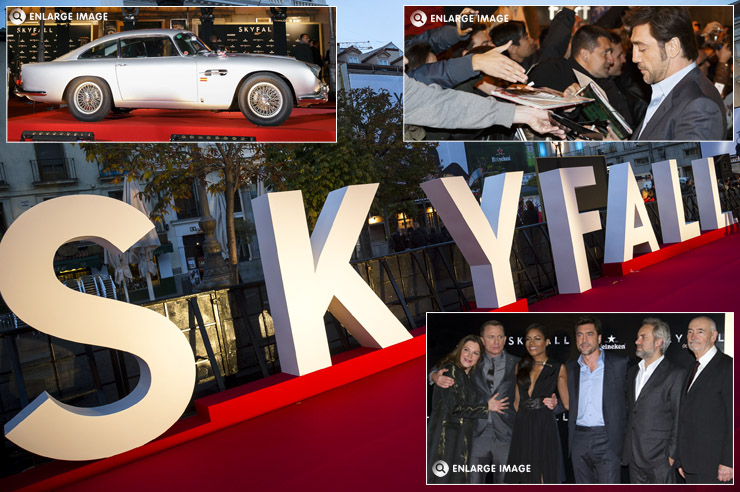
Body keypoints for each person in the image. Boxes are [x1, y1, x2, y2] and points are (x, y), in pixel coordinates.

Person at [432, 320, 556, 483]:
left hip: (506, 435)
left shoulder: (520, 363)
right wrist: (434, 376)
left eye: (500, 337)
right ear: (482, 340)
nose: (496, 342)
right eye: (491, 337)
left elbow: (539, 386)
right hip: (475, 434)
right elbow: (444, 366)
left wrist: (552, 402)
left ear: (505, 339)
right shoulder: (472, 360)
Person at [624, 7, 726, 140]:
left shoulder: (699, 106)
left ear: (673, 47)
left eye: (642, 48)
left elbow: (688, 160)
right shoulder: (671, 89)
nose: (634, 58)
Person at [427, 334, 500, 484]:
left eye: (475, 353)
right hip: (446, 437)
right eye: (466, 350)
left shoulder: (469, 375)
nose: (469, 356)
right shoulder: (451, 370)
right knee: (441, 479)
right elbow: (455, 408)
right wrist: (487, 407)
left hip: (463, 437)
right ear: (459, 350)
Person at [622, 318, 685, 483]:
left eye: (643, 337)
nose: (637, 341)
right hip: (633, 456)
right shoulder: (632, 371)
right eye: (638, 337)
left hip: (660, 459)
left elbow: (679, 416)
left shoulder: (675, 374)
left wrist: (672, 454)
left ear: (659, 342)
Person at [529, 24, 631, 125]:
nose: (611, 59)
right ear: (585, 54)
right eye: (605, 53)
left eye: (611, 53)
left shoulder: (608, 83)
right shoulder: (551, 72)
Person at [566, 316, 627, 483]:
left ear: (599, 338)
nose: (584, 340)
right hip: (579, 437)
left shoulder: (619, 364)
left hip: (608, 438)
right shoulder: (570, 368)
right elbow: (565, 401)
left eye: (589, 334)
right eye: (579, 335)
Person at [505, 324, 568, 484]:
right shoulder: (520, 366)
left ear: (547, 342)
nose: (531, 343)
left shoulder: (558, 368)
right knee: (524, 472)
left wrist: (555, 404)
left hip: (544, 424)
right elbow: (517, 402)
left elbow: (567, 404)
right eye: (528, 339)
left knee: (543, 471)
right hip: (523, 424)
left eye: (537, 339)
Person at [675, 316, 733, 483]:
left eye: (700, 332)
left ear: (714, 336)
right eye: (690, 332)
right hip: (690, 464)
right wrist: (680, 459)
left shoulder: (728, 367)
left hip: (716, 466)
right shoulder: (692, 369)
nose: (693, 336)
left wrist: (730, 461)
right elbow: (684, 416)